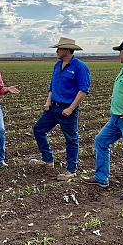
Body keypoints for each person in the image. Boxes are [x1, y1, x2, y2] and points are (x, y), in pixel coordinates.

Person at [83, 38, 123, 200]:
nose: (118, 54)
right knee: (101, 141)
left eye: (120, 51)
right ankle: (101, 178)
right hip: (116, 118)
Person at [31, 37, 91, 180]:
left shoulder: (80, 67)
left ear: (68, 50)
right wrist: (48, 102)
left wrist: (70, 108)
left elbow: (83, 91)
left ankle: (71, 170)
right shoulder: (57, 65)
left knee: (71, 139)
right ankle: (47, 160)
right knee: (38, 129)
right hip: (53, 108)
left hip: (67, 110)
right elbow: (52, 86)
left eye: (59, 49)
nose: (56, 51)